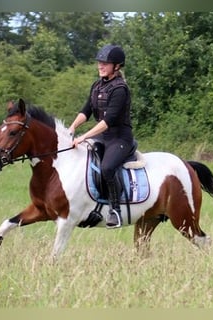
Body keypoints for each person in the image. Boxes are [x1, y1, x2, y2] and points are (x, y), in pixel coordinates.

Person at [69, 44, 135, 229]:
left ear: (117, 66)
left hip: (119, 138)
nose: (100, 66)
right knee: (80, 158)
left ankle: (115, 211)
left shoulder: (120, 89)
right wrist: (73, 127)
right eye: (100, 62)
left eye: (105, 63)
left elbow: (108, 121)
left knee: (107, 168)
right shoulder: (97, 85)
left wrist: (83, 137)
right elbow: (86, 111)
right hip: (103, 137)